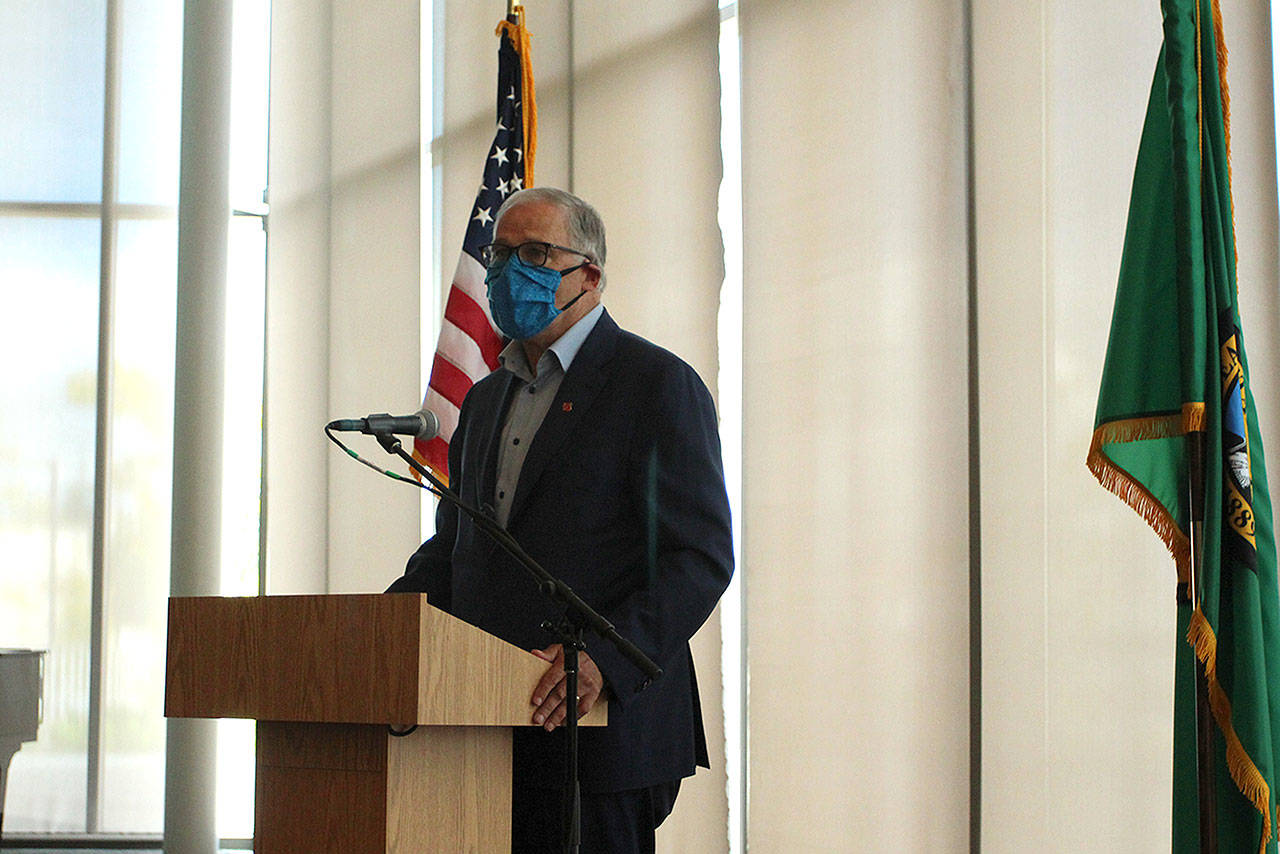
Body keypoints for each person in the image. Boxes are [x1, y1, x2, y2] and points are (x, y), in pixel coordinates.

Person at [386, 186, 734, 853]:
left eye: (536, 253)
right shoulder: (485, 399)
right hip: (487, 724)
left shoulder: (655, 384)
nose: (507, 270)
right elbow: (457, 546)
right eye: (501, 254)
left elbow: (700, 556)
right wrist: (381, 629)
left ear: (590, 275)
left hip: (602, 727)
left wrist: (604, 658)